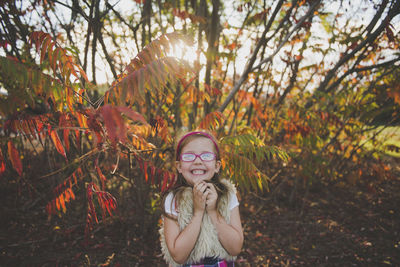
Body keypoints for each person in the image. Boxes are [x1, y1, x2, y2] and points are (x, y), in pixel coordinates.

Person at [159, 131, 244, 267]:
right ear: (179, 166)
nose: (198, 161)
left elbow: (235, 248)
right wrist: (198, 212)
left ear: (217, 166)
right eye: (189, 156)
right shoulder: (173, 200)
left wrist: (213, 211)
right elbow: (178, 256)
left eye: (206, 156)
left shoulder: (227, 195)